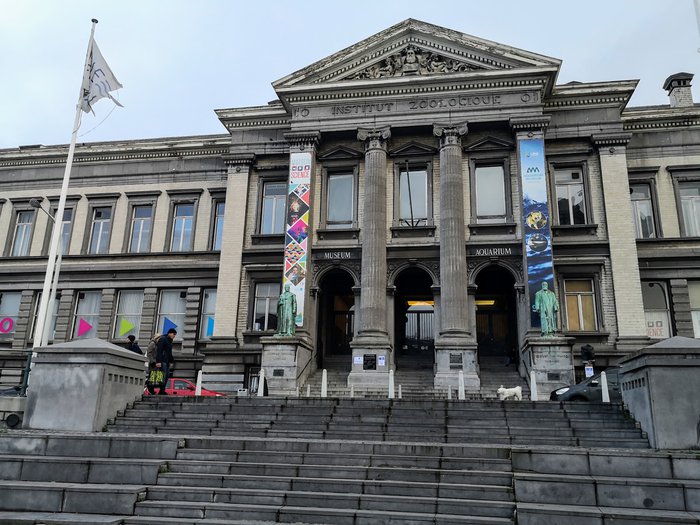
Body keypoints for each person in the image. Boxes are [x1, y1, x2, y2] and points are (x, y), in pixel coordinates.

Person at [154, 328, 176, 395]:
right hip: (162, 361)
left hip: (167, 361)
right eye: (173, 334)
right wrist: (158, 361)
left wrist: (171, 361)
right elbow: (159, 350)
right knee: (163, 376)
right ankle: (157, 390)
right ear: (169, 333)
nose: (174, 336)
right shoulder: (163, 339)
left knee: (166, 376)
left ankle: (162, 391)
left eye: (175, 334)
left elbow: (169, 352)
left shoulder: (170, 341)